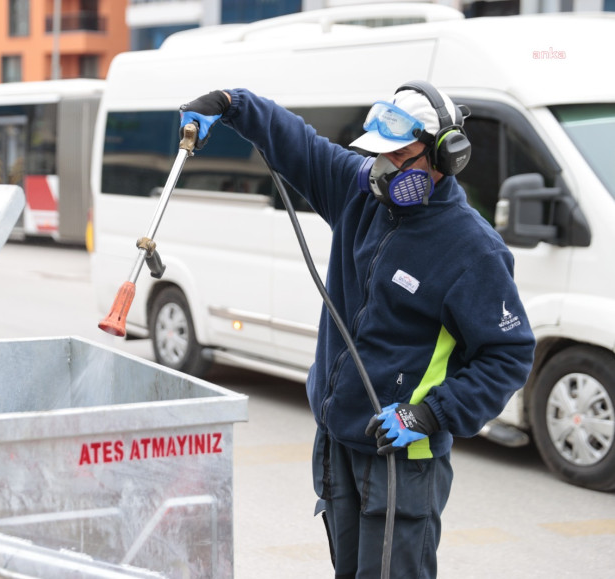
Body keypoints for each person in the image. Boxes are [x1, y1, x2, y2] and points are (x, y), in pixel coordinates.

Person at [179, 83, 536, 577]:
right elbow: (297, 143)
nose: (382, 169)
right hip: (338, 440)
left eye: (399, 157)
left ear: (444, 156)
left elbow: (509, 354)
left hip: (401, 456)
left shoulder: (472, 250)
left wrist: (431, 415)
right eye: (377, 156)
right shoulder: (359, 192)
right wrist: (231, 105)